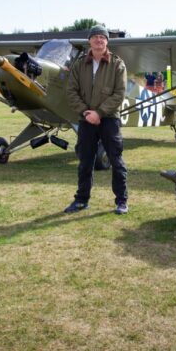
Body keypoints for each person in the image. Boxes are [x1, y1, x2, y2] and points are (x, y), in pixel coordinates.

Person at [64, 24, 129, 215]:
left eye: (102, 37)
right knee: (85, 162)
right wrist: (86, 112)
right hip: (86, 120)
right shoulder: (79, 64)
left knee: (116, 161)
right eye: (95, 37)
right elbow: (71, 91)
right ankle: (81, 200)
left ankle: (122, 201)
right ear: (89, 41)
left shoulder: (118, 64)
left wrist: (98, 113)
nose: (99, 40)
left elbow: (119, 94)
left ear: (107, 41)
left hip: (109, 119)